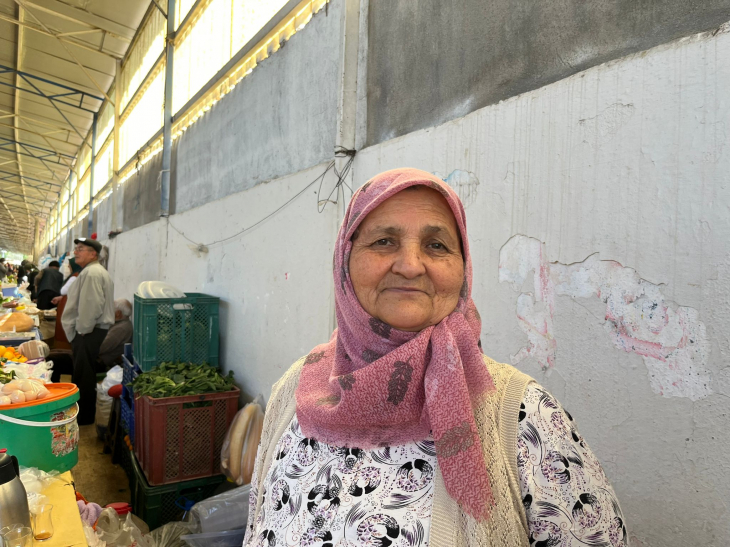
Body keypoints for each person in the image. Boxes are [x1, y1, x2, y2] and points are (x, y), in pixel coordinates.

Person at [243, 169, 628, 547]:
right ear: (345, 260)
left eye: (436, 245)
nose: (410, 265)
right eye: (383, 241)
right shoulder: (295, 391)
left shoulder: (524, 414)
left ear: (462, 270)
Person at [62, 238, 115, 425]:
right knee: (83, 373)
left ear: (93, 254)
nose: (76, 252)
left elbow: (91, 305)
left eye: (81, 249)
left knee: (84, 375)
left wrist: (83, 330)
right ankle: (81, 414)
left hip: (88, 331)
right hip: (90, 330)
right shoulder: (92, 271)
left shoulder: (92, 273)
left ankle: (83, 418)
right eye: (76, 248)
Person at [52, 258, 83, 350]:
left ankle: (63, 351)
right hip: (69, 303)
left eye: (69, 265)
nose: (68, 267)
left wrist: (62, 296)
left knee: (64, 326)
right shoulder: (80, 275)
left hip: (67, 305)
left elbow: (63, 291)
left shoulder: (75, 276)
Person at [97, 298, 133, 369]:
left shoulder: (121, 328)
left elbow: (100, 348)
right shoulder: (119, 323)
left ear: (118, 313)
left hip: (101, 362)